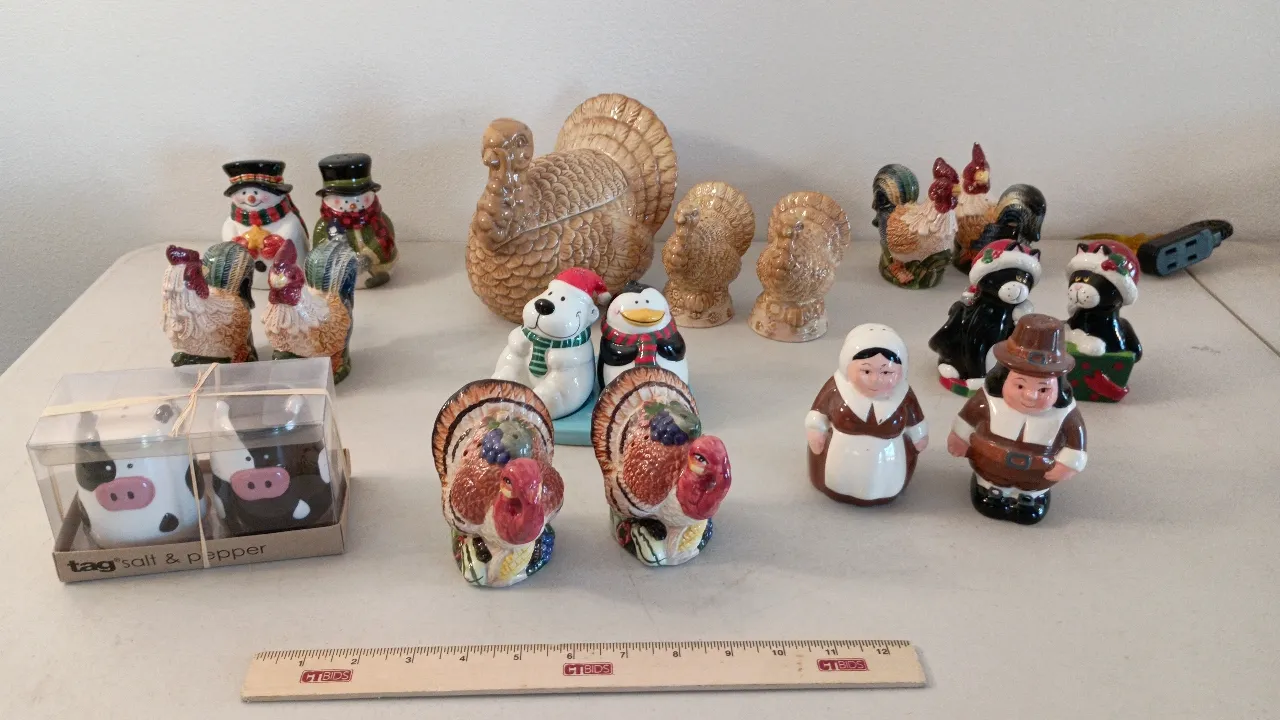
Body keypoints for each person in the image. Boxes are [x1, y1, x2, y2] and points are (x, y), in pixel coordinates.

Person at [947, 314, 1088, 525]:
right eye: (1020, 385)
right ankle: (990, 491)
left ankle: (1030, 498)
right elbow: (967, 420)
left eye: (1043, 389)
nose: (1030, 396)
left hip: (1037, 475)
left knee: (1029, 502)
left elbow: (1076, 445)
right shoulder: (987, 401)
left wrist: (1068, 464)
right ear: (1003, 378)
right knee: (991, 491)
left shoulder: (1065, 415)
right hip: (990, 466)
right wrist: (959, 438)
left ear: (1058, 386)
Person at [805, 324, 928, 506]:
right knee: (839, 481)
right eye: (866, 371)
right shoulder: (836, 388)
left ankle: (882, 493)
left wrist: (919, 435)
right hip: (842, 457)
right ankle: (838, 489)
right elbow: (817, 414)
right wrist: (816, 430)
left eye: (886, 372)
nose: (875, 379)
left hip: (887, 462)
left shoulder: (904, 394)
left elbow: (916, 421)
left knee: (881, 485)